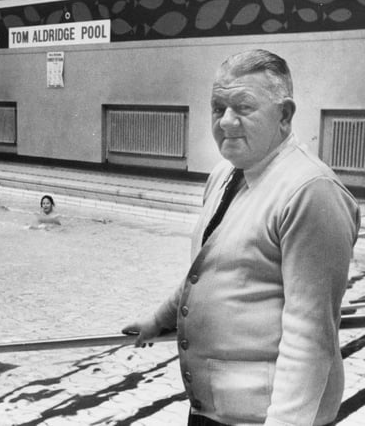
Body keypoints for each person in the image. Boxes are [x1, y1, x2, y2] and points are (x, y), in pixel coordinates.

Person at [122, 49, 360, 426]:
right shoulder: (224, 174)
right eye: (218, 108)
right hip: (212, 410)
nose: (226, 121)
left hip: (265, 418)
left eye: (243, 107)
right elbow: (212, 270)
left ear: (284, 115)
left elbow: (310, 338)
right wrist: (160, 318)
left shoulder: (310, 192)